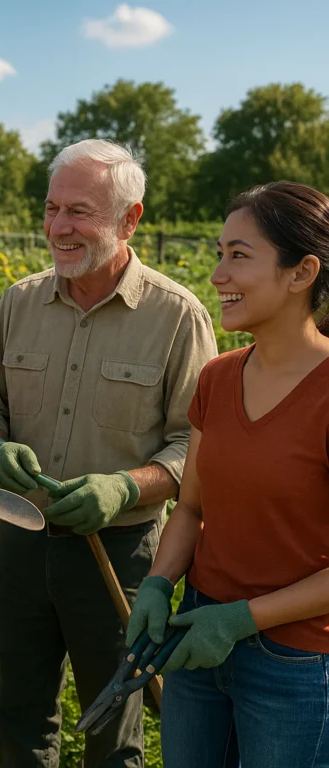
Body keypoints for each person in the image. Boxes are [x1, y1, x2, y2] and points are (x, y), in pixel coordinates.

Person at [0, 139, 218, 767]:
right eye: (52, 209)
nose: (59, 228)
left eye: (79, 211)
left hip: (122, 555)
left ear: (129, 219)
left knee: (112, 729)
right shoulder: (21, 301)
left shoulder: (177, 317)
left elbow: (200, 446)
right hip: (20, 539)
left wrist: (126, 487)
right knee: (20, 716)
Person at [127, 181, 329, 767]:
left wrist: (243, 619)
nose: (217, 274)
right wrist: (161, 584)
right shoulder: (217, 377)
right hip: (197, 638)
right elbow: (191, 507)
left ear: (302, 272)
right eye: (220, 253)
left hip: (295, 663)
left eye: (239, 256)